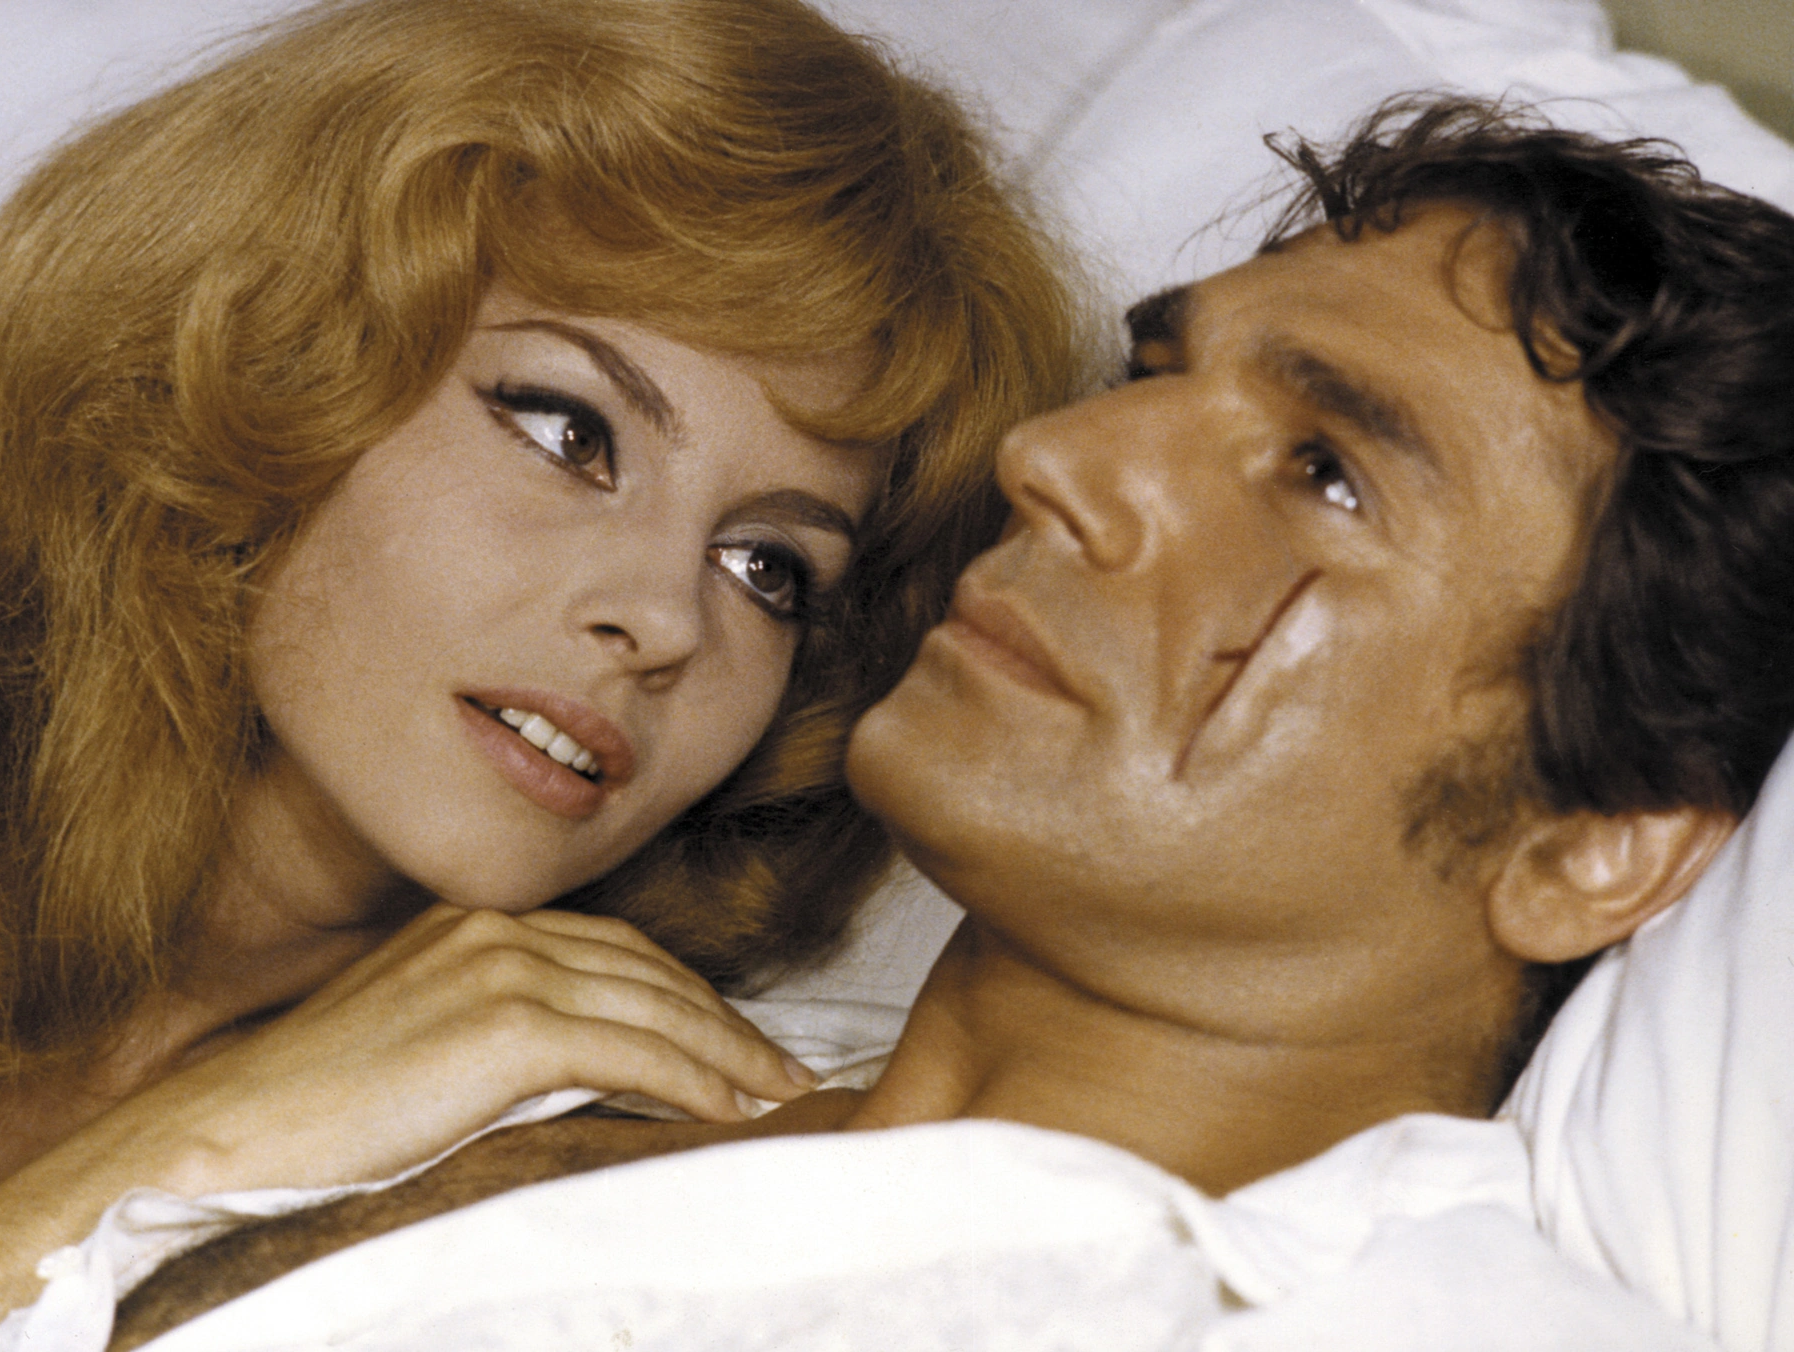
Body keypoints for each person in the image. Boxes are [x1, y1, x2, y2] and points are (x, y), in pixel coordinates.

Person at [104, 96, 1794, 1347]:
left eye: (1325, 473)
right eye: (1152, 378)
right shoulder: (547, 1052)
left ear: (1595, 846)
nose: (1056, 462)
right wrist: (174, 1146)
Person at [0, 0, 1082, 1344]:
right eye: (570, 432)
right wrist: (185, 1151)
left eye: (768, 568)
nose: (663, 620)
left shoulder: (563, 1124)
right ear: (268, 359)